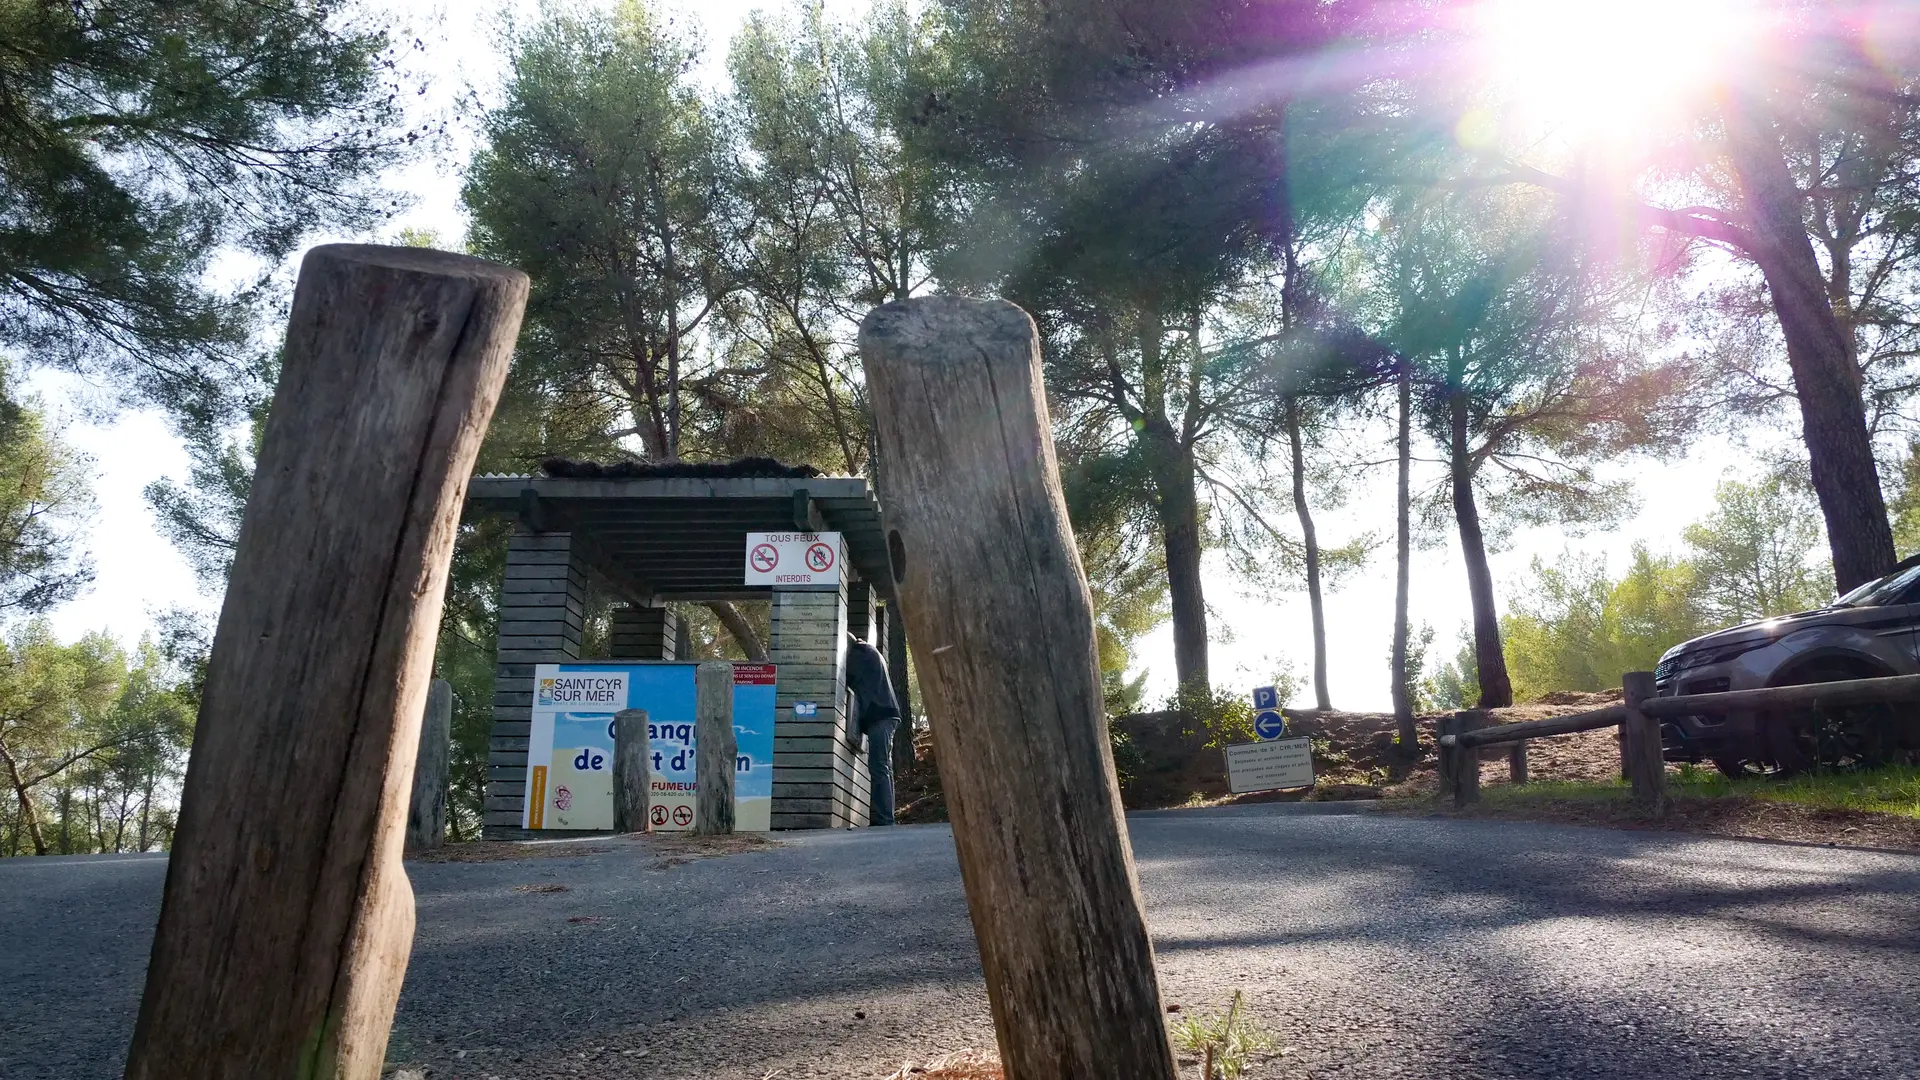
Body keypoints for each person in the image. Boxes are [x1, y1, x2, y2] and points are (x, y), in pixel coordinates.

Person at [844, 631, 901, 826]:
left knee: (879, 767)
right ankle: (886, 817)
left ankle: (885, 819)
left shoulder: (859, 653)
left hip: (881, 715)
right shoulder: (868, 651)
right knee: (883, 767)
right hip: (887, 714)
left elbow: (844, 676)